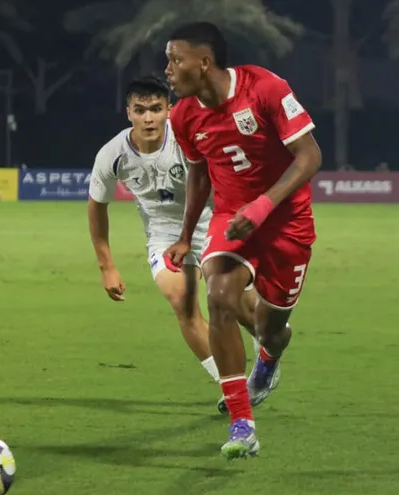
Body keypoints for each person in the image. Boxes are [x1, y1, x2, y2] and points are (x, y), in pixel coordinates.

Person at [163, 22, 321, 459]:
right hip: (232, 218)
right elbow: (198, 175)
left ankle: (269, 358)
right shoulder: (183, 116)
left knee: (273, 329)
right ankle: (241, 423)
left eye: (176, 59)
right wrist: (183, 236)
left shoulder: (264, 87)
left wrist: (263, 206)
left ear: (205, 62)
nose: (168, 69)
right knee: (219, 293)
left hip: (287, 221)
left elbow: (310, 155)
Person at [87, 75, 261, 387]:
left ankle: (267, 351)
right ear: (128, 113)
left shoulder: (186, 140)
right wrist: (107, 267)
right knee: (182, 301)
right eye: (140, 110)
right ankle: (232, 387)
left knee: (238, 306)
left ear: (169, 109)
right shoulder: (111, 155)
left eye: (156, 108)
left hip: (211, 220)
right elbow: (97, 208)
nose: (148, 117)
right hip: (164, 233)